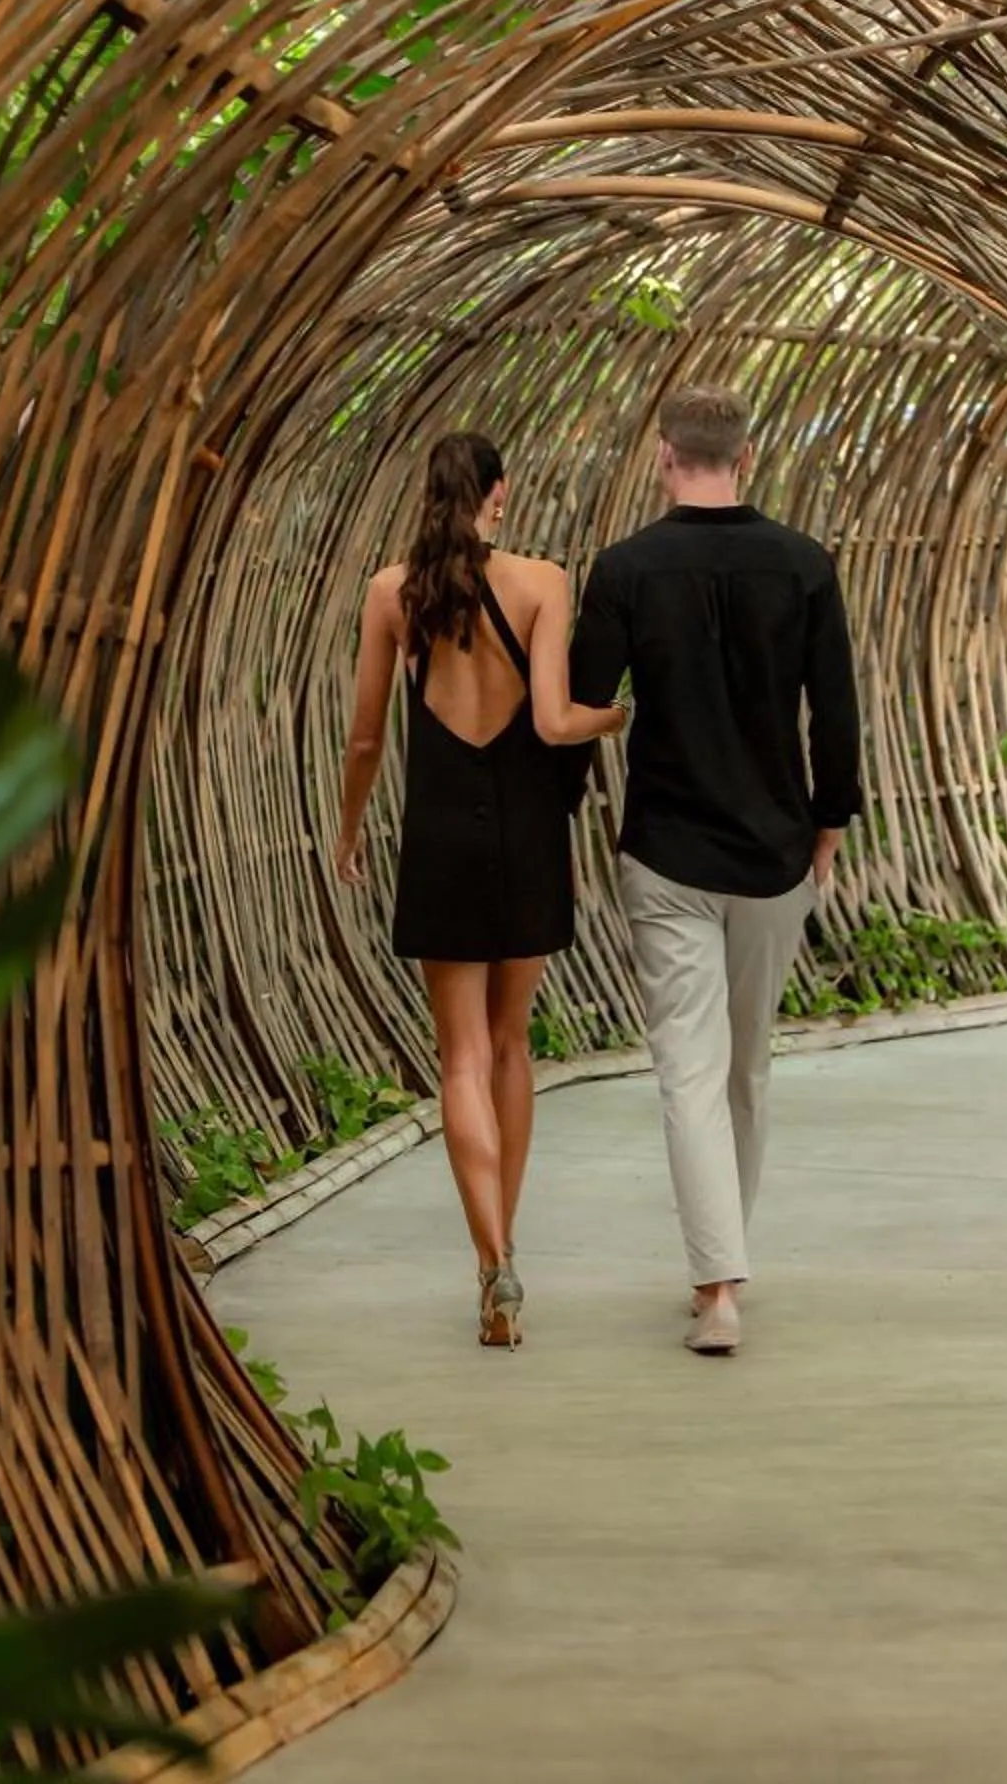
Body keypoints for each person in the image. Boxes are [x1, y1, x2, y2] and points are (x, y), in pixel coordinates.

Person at [569, 384, 862, 1357]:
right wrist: (828, 822)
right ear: (748, 454)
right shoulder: (805, 564)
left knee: (687, 1071)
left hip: (665, 849)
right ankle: (725, 1264)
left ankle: (717, 1285)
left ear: (664, 456)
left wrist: (566, 805)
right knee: (746, 1066)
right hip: (776, 851)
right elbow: (837, 708)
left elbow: (580, 702)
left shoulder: (624, 568)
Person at [333, 430, 624, 1350]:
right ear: (500, 493)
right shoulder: (543, 581)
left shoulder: (391, 594)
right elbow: (553, 719)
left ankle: (491, 1260)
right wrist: (620, 715)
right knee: (509, 1045)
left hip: (438, 832)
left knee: (457, 1056)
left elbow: (367, 738)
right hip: (529, 827)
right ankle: (504, 1252)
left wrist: (348, 827)